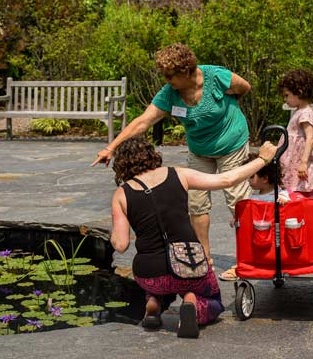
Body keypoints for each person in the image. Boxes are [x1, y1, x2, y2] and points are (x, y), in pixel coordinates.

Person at [93, 43, 254, 266]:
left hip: (232, 142)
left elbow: (244, 87)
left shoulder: (216, 76)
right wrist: (111, 147)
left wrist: (230, 108)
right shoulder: (170, 93)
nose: (167, 80)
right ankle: (204, 258)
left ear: (186, 71)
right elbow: (143, 121)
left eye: (170, 76)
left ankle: (246, 260)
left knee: (237, 200)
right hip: (200, 149)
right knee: (197, 203)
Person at [110, 136, 277, 338]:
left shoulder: (121, 194)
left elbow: (120, 245)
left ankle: (154, 302)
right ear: (151, 154)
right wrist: (262, 160)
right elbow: (227, 179)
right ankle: (193, 303)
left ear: (121, 166)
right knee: (213, 299)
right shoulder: (178, 174)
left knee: (160, 282)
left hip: (150, 275)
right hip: (190, 267)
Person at [218, 161, 291, 281]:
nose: (248, 180)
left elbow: (287, 198)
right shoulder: (254, 196)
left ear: (265, 178)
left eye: (252, 177)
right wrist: (237, 218)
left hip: (275, 236)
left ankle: (241, 267)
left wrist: (283, 200)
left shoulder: (279, 193)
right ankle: (243, 264)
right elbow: (249, 212)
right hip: (260, 233)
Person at [278, 70, 313, 197]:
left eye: (287, 95)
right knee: (292, 189)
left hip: (300, 161)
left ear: (299, 92)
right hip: (293, 160)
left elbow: (310, 138)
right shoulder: (299, 111)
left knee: (302, 189)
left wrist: (304, 162)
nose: (285, 99)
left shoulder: (305, 113)